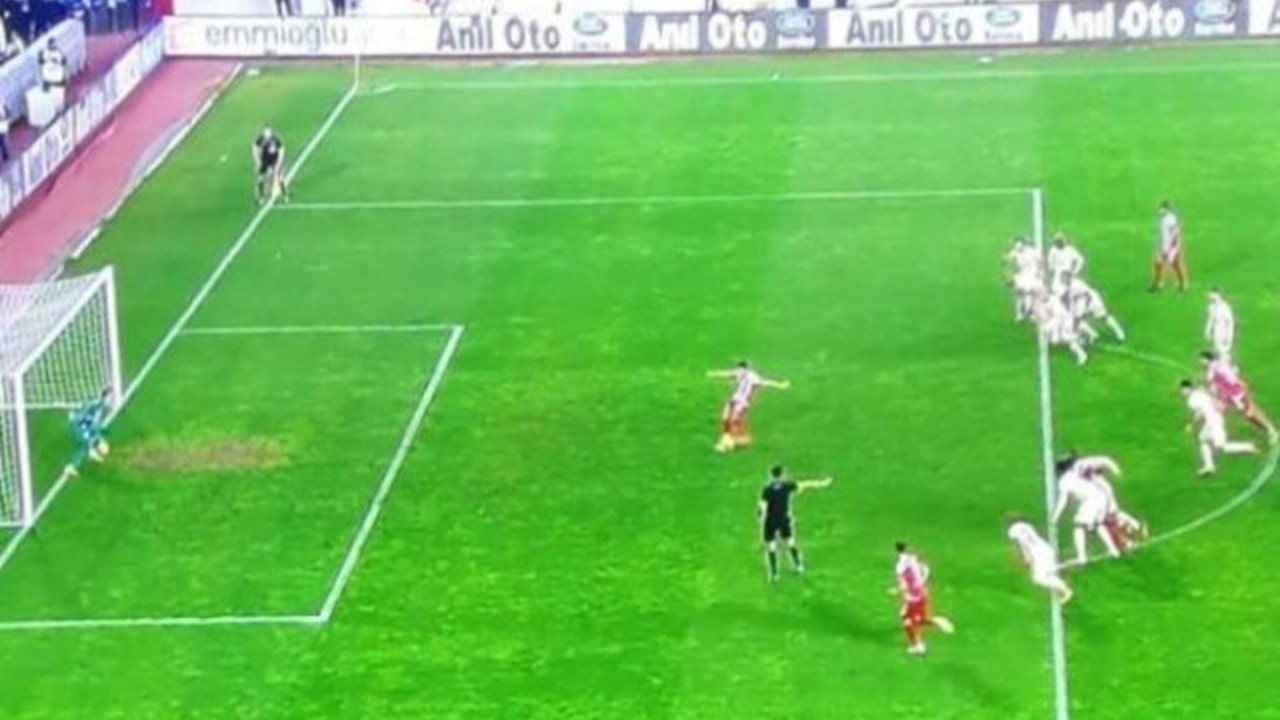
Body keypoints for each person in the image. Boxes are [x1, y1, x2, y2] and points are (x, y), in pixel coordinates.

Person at [757, 465, 831, 583]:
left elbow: (762, 506)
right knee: (790, 542)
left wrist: (760, 515)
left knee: (771, 546)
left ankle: (774, 574)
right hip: (784, 518)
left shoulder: (767, 490)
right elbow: (805, 484)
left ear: (771, 475)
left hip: (771, 520)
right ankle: (798, 566)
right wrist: (822, 483)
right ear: (782, 475)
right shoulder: (787, 486)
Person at [1051, 454, 1121, 564]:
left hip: (1091, 500)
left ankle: (1081, 557)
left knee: (1079, 526)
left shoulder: (1064, 481)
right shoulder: (1073, 474)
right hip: (1100, 496)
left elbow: (1062, 501)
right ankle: (1113, 550)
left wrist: (1055, 517)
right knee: (1098, 525)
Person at [707, 360, 789, 452]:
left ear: (745, 369)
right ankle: (728, 441)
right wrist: (713, 374)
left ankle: (731, 443)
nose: (737, 372)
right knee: (725, 419)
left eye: (740, 369)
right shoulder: (741, 373)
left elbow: (765, 382)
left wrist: (780, 385)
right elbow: (727, 374)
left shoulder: (753, 377)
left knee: (732, 421)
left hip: (742, 403)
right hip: (733, 400)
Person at [1181, 379, 1257, 476]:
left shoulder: (1192, 400)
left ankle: (1248, 447)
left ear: (1188, 388)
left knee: (1222, 447)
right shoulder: (1201, 392)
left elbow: (1199, 413)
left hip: (1213, 422)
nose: (1183, 393)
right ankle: (1209, 466)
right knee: (1203, 439)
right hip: (1214, 419)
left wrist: (1192, 425)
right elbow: (1213, 399)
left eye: (1183, 390)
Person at [1202, 351, 1278, 444]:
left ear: (1208, 359)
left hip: (1237, 394)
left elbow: (1233, 380)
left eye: (1203, 360)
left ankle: (1271, 430)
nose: (1202, 363)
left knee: (1252, 413)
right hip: (1232, 396)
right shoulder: (1214, 369)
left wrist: (1241, 394)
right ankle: (1269, 431)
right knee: (1248, 416)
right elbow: (1217, 384)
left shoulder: (1218, 368)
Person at [894, 542, 954, 655]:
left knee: (909, 621)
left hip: (913, 597)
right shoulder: (914, 558)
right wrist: (922, 582)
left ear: (897, 551)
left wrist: (897, 591)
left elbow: (903, 584)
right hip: (921, 592)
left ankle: (918, 645)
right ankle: (937, 623)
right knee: (913, 618)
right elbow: (926, 570)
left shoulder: (900, 566)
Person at [1006, 517, 1072, 604]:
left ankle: (1066, 590)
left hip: (1039, 554)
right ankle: (1060, 569)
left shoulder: (1013, 532)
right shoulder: (1027, 526)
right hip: (1045, 547)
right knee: (1046, 572)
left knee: (1038, 578)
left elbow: (1023, 546)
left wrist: (1027, 558)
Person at [1064, 274, 1125, 343]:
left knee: (1104, 317)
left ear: (1069, 277)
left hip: (1092, 301)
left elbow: (1087, 295)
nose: (1064, 279)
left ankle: (1119, 331)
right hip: (1081, 303)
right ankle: (1092, 334)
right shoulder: (1064, 286)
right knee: (1074, 319)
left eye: (1065, 277)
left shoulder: (1077, 284)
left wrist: (1082, 308)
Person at [65, 388, 112, 477]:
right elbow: (87, 420)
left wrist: (100, 433)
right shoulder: (95, 406)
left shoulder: (99, 406)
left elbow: (94, 425)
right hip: (79, 427)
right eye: (110, 397)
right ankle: (70, 467)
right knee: (85, 446)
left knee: (104, 449)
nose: (111, 400)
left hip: (86, 426)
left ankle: (92, 450)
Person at [1034, 287, 1088, 365]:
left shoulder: (1053, 301)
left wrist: (1055, 332)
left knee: (1065, 338)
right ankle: (1080, 339)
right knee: (1060, 338)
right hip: (1062, 320)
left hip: (1065, 320)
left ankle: (1082, 352)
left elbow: (1059, 317)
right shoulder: (1047, 301)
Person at [1151, 201, 1188, 291]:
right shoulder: (1163, 219)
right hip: (1165, 245)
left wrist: (1173, 247)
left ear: (1166, 209)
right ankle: (1158, 284)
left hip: (1171, 246)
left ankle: (1183, 283)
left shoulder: (1170, 219)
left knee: (1175, 264)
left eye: (1161, 208)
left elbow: (1175, 233)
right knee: (1158, 263)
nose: (1159, 210)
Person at [1004, 236, 1041, 322]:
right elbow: (1005, 260)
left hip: (1032, 275)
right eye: (1016, 246)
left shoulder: (1031, 251)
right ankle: (1019, 314)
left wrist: (1038, 272)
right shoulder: (1015, 252)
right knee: (1019, 294)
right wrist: (1007, 248)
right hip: (1021, 275)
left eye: (1019, 246)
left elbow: (1039, 262)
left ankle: (1032, 314)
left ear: (1023, 244)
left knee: (1031, 294)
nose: (1018, 249)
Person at [252, 126, 289, 205]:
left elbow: (281, 150)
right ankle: (261, 197)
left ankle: (285, 195)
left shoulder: (275, 140)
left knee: (280, 178)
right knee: (260, 178)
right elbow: (255, 147)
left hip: (274, 159)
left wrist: (278, 163)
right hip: (265, 160)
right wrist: (257, 160)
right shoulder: (261, 139)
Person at [1204, 288, 1234, 361]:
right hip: (1216, 328)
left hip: (1223, 328)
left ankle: (1226, 363)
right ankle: (1218, 362)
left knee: (1224, 350)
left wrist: (1229, 336)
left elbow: (1230, 322)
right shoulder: (1211, 306)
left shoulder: (1225, 306)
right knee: (1217, 347)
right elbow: (1211, 318)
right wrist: (1208, 329)